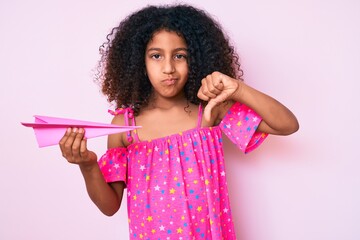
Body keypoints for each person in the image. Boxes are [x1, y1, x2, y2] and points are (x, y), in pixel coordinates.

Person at [59, 4, 299, 239]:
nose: (168, 68)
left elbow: (287, 125)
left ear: (194, 59)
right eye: (156, 56)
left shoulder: (210, 111)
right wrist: (88, 165)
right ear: (138, 62)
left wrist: (238, 89)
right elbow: (110, 206)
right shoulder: (125, 126)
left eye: (179, 56)